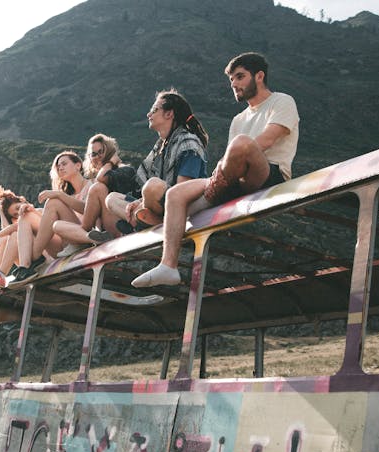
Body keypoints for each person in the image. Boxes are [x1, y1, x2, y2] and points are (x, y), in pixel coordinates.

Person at [132, 52, 299, 287]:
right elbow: (232, 161)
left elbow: (267, 141)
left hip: (267, 174)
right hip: (231, 178)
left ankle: (207, 195)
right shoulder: (238, 119)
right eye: (232, 80)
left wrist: (221, 173)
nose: (234, 84)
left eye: (240, 77)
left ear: (259, 76)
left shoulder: (282, 101)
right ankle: (168, 266)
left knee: (242, 144)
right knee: (174, 194)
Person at [105, 88, 209, 234]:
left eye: (154, 110)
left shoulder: (188, 143)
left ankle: (141, 221)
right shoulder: (160, 147)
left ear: (169, 114)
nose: (149, 114)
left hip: (183, 205)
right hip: (159, 205)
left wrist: (143, 203)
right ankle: (144, 220)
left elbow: (183, 190)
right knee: (111, 199)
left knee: (152, 187)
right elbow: (143, 189)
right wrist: (140, 202)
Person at [11, 150, 93, 282]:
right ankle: (26, 266)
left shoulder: (91, 186)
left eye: (64, 164)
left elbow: (88, 210)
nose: (60, 168)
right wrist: (33, 211)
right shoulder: (67, 195)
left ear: (78, 165)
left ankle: (33, 259)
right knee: (26, 215)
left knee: (53, 202)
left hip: (82, 238)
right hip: (63, 245)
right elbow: (49, 223)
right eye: (58, 166)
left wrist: (59, 195)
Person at [52, 133, 138, 255]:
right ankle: (88, 238)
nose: (97, 156)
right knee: (57, 226)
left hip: (121, 226)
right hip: (102, 231)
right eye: (93, 154)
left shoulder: (123, 170)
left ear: (109, 152)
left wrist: (110, 163)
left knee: (98, 188)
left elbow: (101, 178)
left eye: (101, 152)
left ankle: (82, 238)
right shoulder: (96, 179)